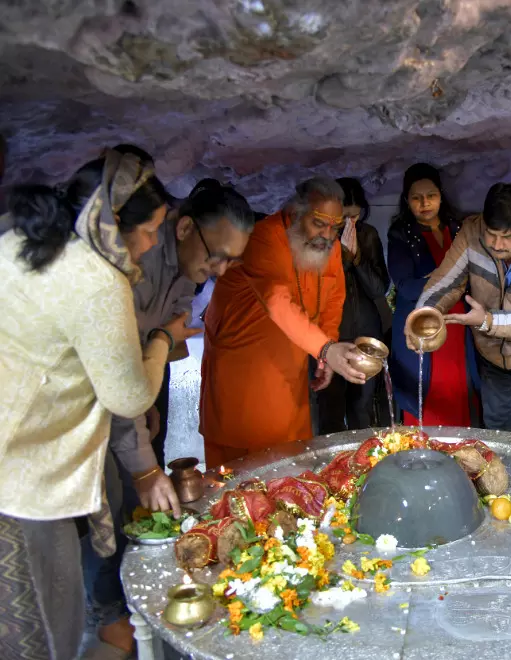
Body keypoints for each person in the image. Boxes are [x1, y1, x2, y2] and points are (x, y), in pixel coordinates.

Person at [0, 149, 194, 660]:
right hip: (27, 478)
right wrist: (162, 339)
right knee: (45, 623)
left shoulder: (21, 238)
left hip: (13, 447)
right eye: (149, 231)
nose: (152, 243)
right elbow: (129, 395)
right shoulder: (97, 280)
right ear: (112, 223)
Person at [87, 176, 255, 657]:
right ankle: (109, 616)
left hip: (136, 393)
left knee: (138, 498)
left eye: (231, 261)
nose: (220, 270)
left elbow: (160, 341)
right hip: (96, 404)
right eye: (217, 256)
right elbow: (122, 370)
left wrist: (149, 406)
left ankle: (129, 600)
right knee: (104, 500)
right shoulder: (131, 265)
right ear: (183, 229)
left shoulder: (186, 269)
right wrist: (143, 466)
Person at [200, 177, 366, 466]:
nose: (327, 235)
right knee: (243, 475)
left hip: (290, 373)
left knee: (290, 467)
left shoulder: (329, 246)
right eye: (319, 223)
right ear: (296, 213)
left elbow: (333, 297)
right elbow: (277, 301)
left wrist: (325, 352)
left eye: (335, 227)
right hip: (242, 375)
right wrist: (325, 349)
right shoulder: (263, 237)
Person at [411, 183, 511, 440]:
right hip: (492, 355)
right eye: (491, 234)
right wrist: (424, 314)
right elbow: (446, 281)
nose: (496, 244)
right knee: (497, 432)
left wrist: (488, 321)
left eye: (507, 237)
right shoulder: (471, 231)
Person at [387, 163, 480, 427]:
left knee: (459, 387)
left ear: (441, 195)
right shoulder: (400, 233)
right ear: (407, 200)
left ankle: (460, 448)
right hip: (422, 323)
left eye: (431, 195)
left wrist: (434, 278)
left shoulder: (458, 228)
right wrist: (449, 279)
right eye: (416, 197)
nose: (424, 203)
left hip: (458, 323)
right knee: (425, 391)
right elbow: (405, 285)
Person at [314, 177, 390, 433]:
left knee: (362, 409)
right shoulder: (319, 238)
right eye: (343, 218)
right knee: (330, 410)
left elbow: (379, 289)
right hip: (331, 334)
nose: (349, 224)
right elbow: (321, 288)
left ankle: (364, 455)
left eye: (355, 217)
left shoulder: (367, 235)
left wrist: (357, 258)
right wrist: (342, 256)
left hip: (365, 331)